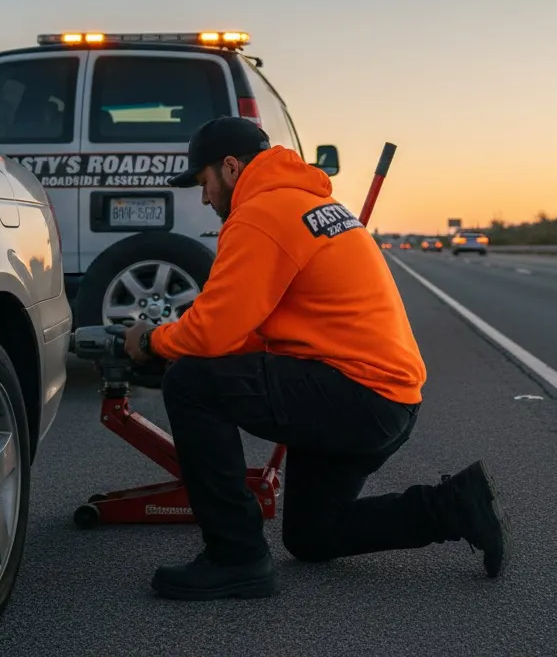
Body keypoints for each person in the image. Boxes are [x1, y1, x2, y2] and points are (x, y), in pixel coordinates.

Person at [120, 116, 509, 600]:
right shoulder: (311, 203)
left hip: (355, 393)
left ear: (230, 167)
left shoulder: (261, 213)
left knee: (190, 382)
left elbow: (212, 330)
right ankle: (455, 506)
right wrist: (179, 341)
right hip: (386, 400)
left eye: (204, 182)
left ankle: (234, 558)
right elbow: (244, 329)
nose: (204, 198)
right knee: (311, 535)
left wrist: (150, 342)